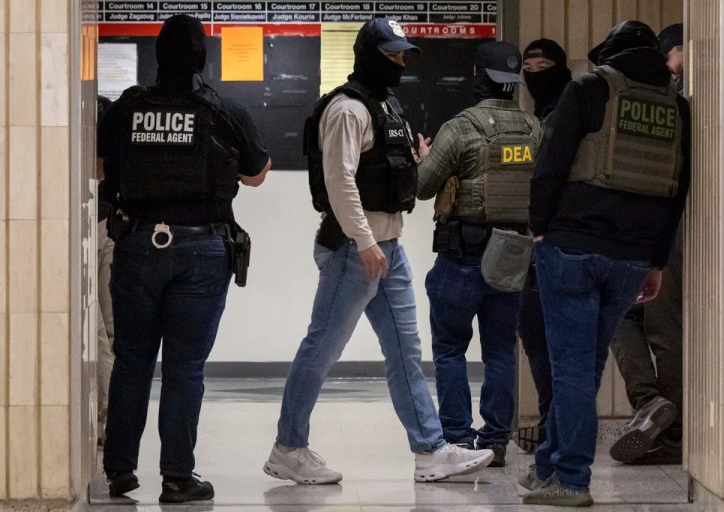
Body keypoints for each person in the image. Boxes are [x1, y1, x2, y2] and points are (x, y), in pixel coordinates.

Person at [263, 17, 494, 485]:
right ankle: (288, 447)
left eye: (403, 53)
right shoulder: (347, 110)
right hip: (355, 249)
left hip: (387, 246)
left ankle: (430, 450)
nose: (402, 61)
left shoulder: (385, 104)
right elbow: (339, 181)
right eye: (393, 54)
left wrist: (419, 160)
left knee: (405, 350)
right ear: (370, 55)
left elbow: (385, 168)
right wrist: (366, 241)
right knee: (322, 348)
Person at [98, 14, 271, 503]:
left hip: (135, 245)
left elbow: (99, 162)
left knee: (132, 359)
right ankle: (176, 477)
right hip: (200, 250)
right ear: (201, 56)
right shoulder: (222, 110)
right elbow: (257, 173)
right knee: (184, 368)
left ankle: (118, 470)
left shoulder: (128, 108)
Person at [518, 21, 691, 506]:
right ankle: (548, 462)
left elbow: (550, 163)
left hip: (572, 248)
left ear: (611, 56)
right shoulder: (677, 108)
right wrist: (655, 260)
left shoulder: (590, 88)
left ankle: (571, 479)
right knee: (586, 366)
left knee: (571, 369)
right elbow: (677, 191)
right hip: (634, 257)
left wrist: (539, 228)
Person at [416, 41, 539, 468]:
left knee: (450, 348)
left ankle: (458, 441)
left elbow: (422, 186)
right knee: (500, 350)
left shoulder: (460, 128)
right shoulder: (533, 128)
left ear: (477, 76)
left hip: (462, 254)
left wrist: (425, 158)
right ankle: (497, 441)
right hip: (512, 254)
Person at [608, 22, 685, 466]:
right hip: (643, 225)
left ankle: (669, 438)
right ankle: (650, 406)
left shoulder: (684, 96)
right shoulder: (661, 95)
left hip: (671, 228)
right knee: (622, 314)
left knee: (662, 328)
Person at [513, 38, 572, 454]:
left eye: (543, 65)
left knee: (555, 340)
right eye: (528, 68)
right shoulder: (540, 115)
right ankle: (555, 422)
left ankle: (560, 427)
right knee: (536, 335)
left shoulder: (570, 110)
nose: (535, 74)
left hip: (561, 243)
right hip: (538, 244)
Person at [96, 95, 116, 447]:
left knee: (108, 331)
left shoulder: (107, 111)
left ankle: (110, 418)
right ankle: (108, 418)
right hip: (102, 226)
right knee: (104, 332)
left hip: (106, 226)